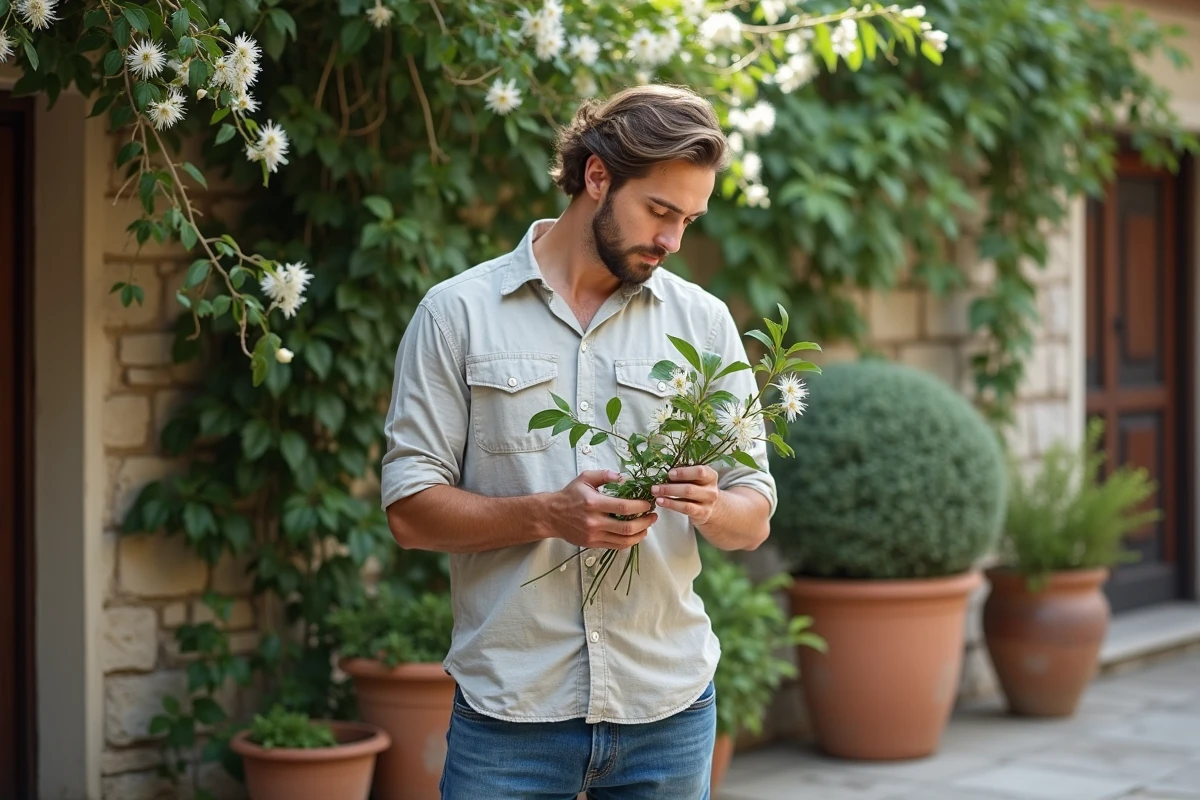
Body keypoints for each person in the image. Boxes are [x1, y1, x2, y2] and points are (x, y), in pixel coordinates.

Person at [380, 83, 778, 800]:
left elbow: (754, 515)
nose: (673, 240)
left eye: (688, 218)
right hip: (511, 720)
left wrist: (713, 506)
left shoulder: (705, 322)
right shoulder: (456, 314)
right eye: (660, 210)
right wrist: (546, 515)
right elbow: (409, 511)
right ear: (597, 176)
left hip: (669, 713)